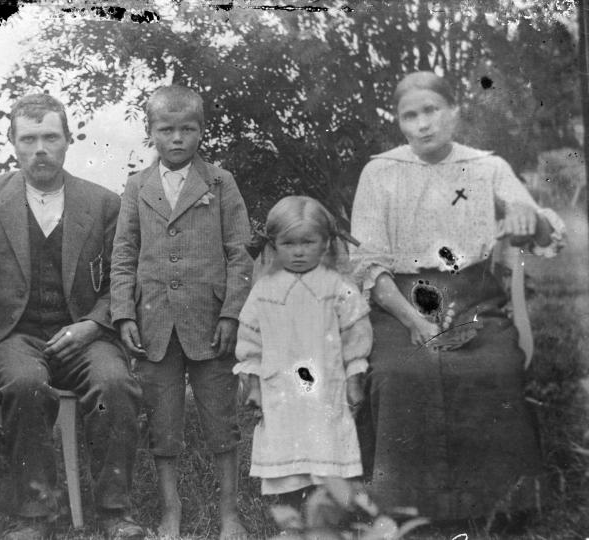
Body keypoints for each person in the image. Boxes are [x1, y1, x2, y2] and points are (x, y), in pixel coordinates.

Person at [350, 71, 566, 525]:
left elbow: (545, 232)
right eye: (410, 116)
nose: (423, 124)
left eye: (432, 110)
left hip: (474, 300)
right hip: (399, 305)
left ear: (454, 112)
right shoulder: (380, 172)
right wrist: (413, 321)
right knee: (399, 373)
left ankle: (502, 505)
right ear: (399, 122)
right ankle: (403, 507)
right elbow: (368, 263)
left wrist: (526, 213)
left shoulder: (488, 167)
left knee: (493, 367)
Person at [0, 94, 144, 539]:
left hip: (84, 334)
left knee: (115, 383)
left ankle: (115, 512)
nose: (40, 149)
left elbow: (124, 276)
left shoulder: (102, 203)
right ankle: (36, 514)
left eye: (51, 138)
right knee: (24, 384)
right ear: (12, 142)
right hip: (11, 336)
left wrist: (92, 324)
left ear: (68, 140)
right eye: (29, 139)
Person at [110, 85, 252, 539]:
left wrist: (231, 314)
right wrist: (124, 313)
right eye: (166, 129)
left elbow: (240, 253)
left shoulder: (220, 182)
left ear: (201, 131)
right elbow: (124, 253)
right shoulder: (137, 186)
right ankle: (170, 510)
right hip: (154, 323)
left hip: (210, 322)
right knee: (163, 419)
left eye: (187, 129)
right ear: (150, 132)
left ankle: (229, 513)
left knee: (221, 418)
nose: (177, 138)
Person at [234, 196, 372, 517]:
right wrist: (252, 384)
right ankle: (291, 514)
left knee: (328, 447)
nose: (298, 252)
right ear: (274, 245)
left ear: (325, 243)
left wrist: (355, 378)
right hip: (280, 391)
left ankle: (329, 516)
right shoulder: (264, 290)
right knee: (286, 450)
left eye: (308, 242)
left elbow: (356, 337)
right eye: (289, 243)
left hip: (328, 388)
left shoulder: (338, 287)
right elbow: (250, 342)